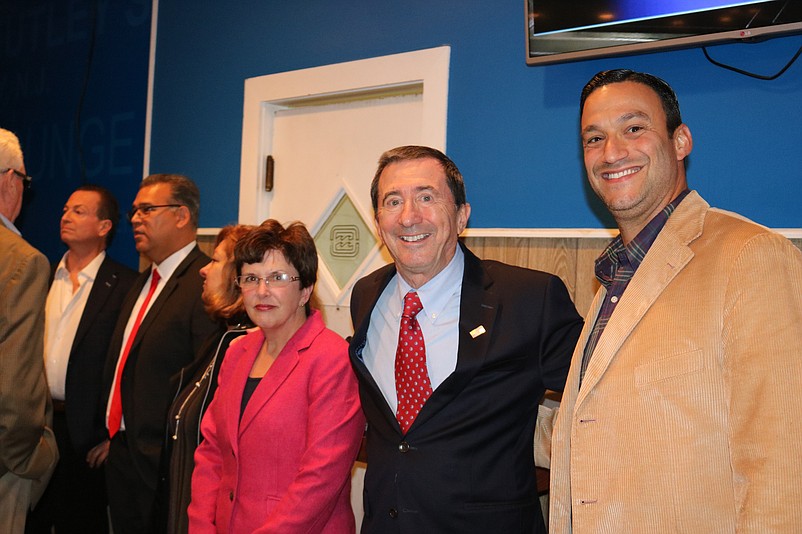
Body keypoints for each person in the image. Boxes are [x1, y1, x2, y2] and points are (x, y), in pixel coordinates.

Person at [548, 69, 802, 532]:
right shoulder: (614, 277)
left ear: (681, 140)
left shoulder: (750, 256)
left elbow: (782, 465)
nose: (612, 152)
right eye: (594, 138)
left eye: (634, 128)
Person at [349, 145, 583, 533]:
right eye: (393, 201)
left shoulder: (527, 298)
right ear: (378, 222)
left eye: (427, 197)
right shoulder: (366, 295)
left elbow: (601, 399)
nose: (409, 217)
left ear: (461, 216)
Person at [189, 220, 365, 533]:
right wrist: (201, 526)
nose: (261, 291)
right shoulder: (236, 352)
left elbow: (321, 477)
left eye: (277, 278)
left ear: (305, 289)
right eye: (251, 278)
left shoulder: (331, 358)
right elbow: (212, 452)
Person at [102, 174, 218, 534]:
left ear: (182, 215)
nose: (135, 218)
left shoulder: (203, 284)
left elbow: (204, 383)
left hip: (163, 464)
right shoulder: (141, 283)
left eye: (148, 209)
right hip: (121, 454)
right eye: (134, 211)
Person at [26, 185, 137, 534]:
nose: (65, 216)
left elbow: (130, 369)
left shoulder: (125, 285)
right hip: (35, 429)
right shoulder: (40, 274)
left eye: (78, 211)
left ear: (104, 227)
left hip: (88, 439)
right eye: (65, 209)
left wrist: (114, 436)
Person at [153, 224, 255, 534]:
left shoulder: (246, 346)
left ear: (240, 276)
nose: (204, 270)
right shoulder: (222, 339)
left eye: (216, 260)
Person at [0, 128, 58, 533]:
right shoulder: (23, 262)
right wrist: (32, 458)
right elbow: (16, 388)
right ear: (8, 179)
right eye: (24, 178)